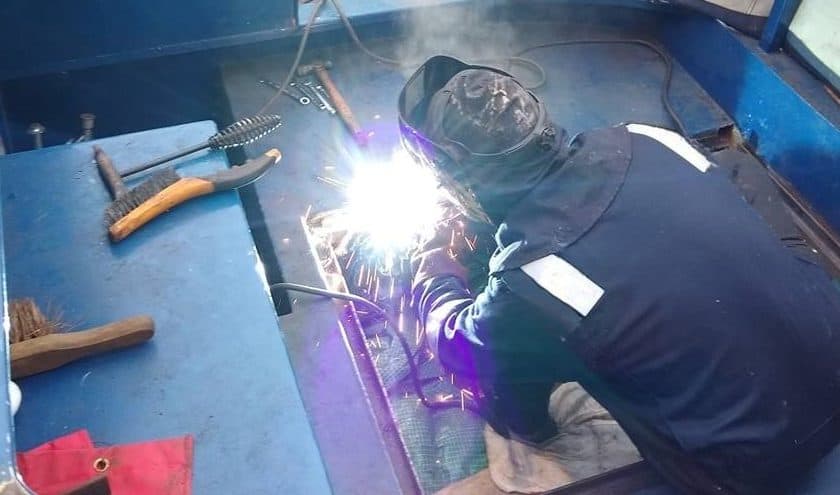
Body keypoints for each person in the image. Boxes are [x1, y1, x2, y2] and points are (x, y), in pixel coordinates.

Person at [399, 55, 840, 495]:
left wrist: (434, 271)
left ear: (456, 171)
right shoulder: (645, 136)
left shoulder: (534, 280)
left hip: (754, 468)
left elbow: (463, 350)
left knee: (523, 373)